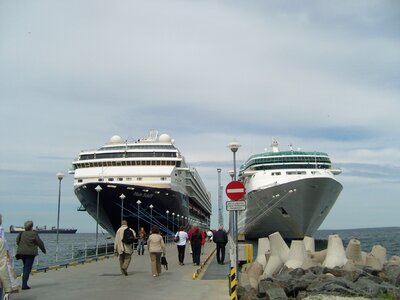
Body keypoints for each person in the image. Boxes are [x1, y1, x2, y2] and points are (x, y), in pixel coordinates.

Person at [16, 220, 46, 290]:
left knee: (25, 267)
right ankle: (24, 285)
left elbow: (17, 241)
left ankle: (24, 283)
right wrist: (43, 250)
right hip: (30, 254)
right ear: (31, 227)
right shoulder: (34, 234)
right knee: (27, 268)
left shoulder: (21, 233)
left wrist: (22, 247)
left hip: (21, 253)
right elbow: (40, 243)